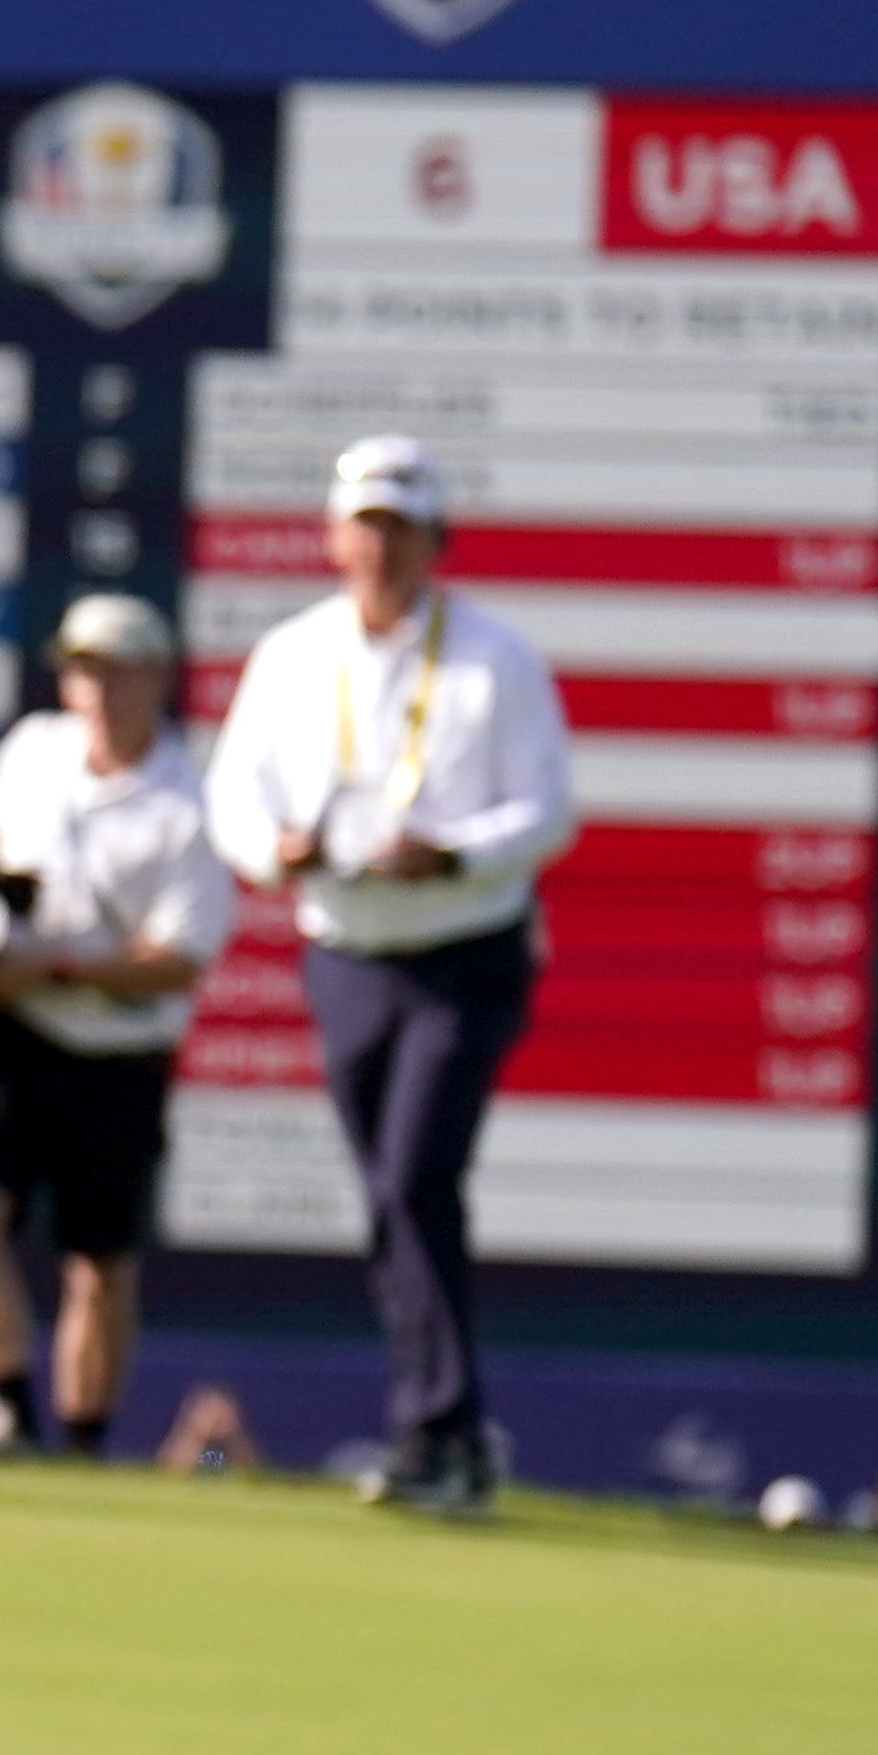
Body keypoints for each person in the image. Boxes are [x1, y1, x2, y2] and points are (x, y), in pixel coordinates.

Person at [203, 435, 578, 1518]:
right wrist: (268, 852)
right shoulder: (292, 654)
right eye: (364, 526)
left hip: (466, 948)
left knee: (414, 1178)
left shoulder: (496, 657)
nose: (380, 549)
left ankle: (440, 1431)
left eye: (400, 528)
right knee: (391, 1195)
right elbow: (237, 796)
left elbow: (548, 812)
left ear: (435, 540)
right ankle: (446, 1434)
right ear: (333, 537)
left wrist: (454, 850)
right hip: (346, 950)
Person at [0, 591, 232, 1460]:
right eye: (81, 667)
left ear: (155, 678)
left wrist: (56, 965)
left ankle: (84, 1442)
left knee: (98, 1263)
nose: (94, 687)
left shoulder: (188, 804)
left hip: (116, 1055)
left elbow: (176, 959)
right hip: (10, 1031)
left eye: (115, 669)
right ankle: (7, 1410)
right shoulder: (33, 749)